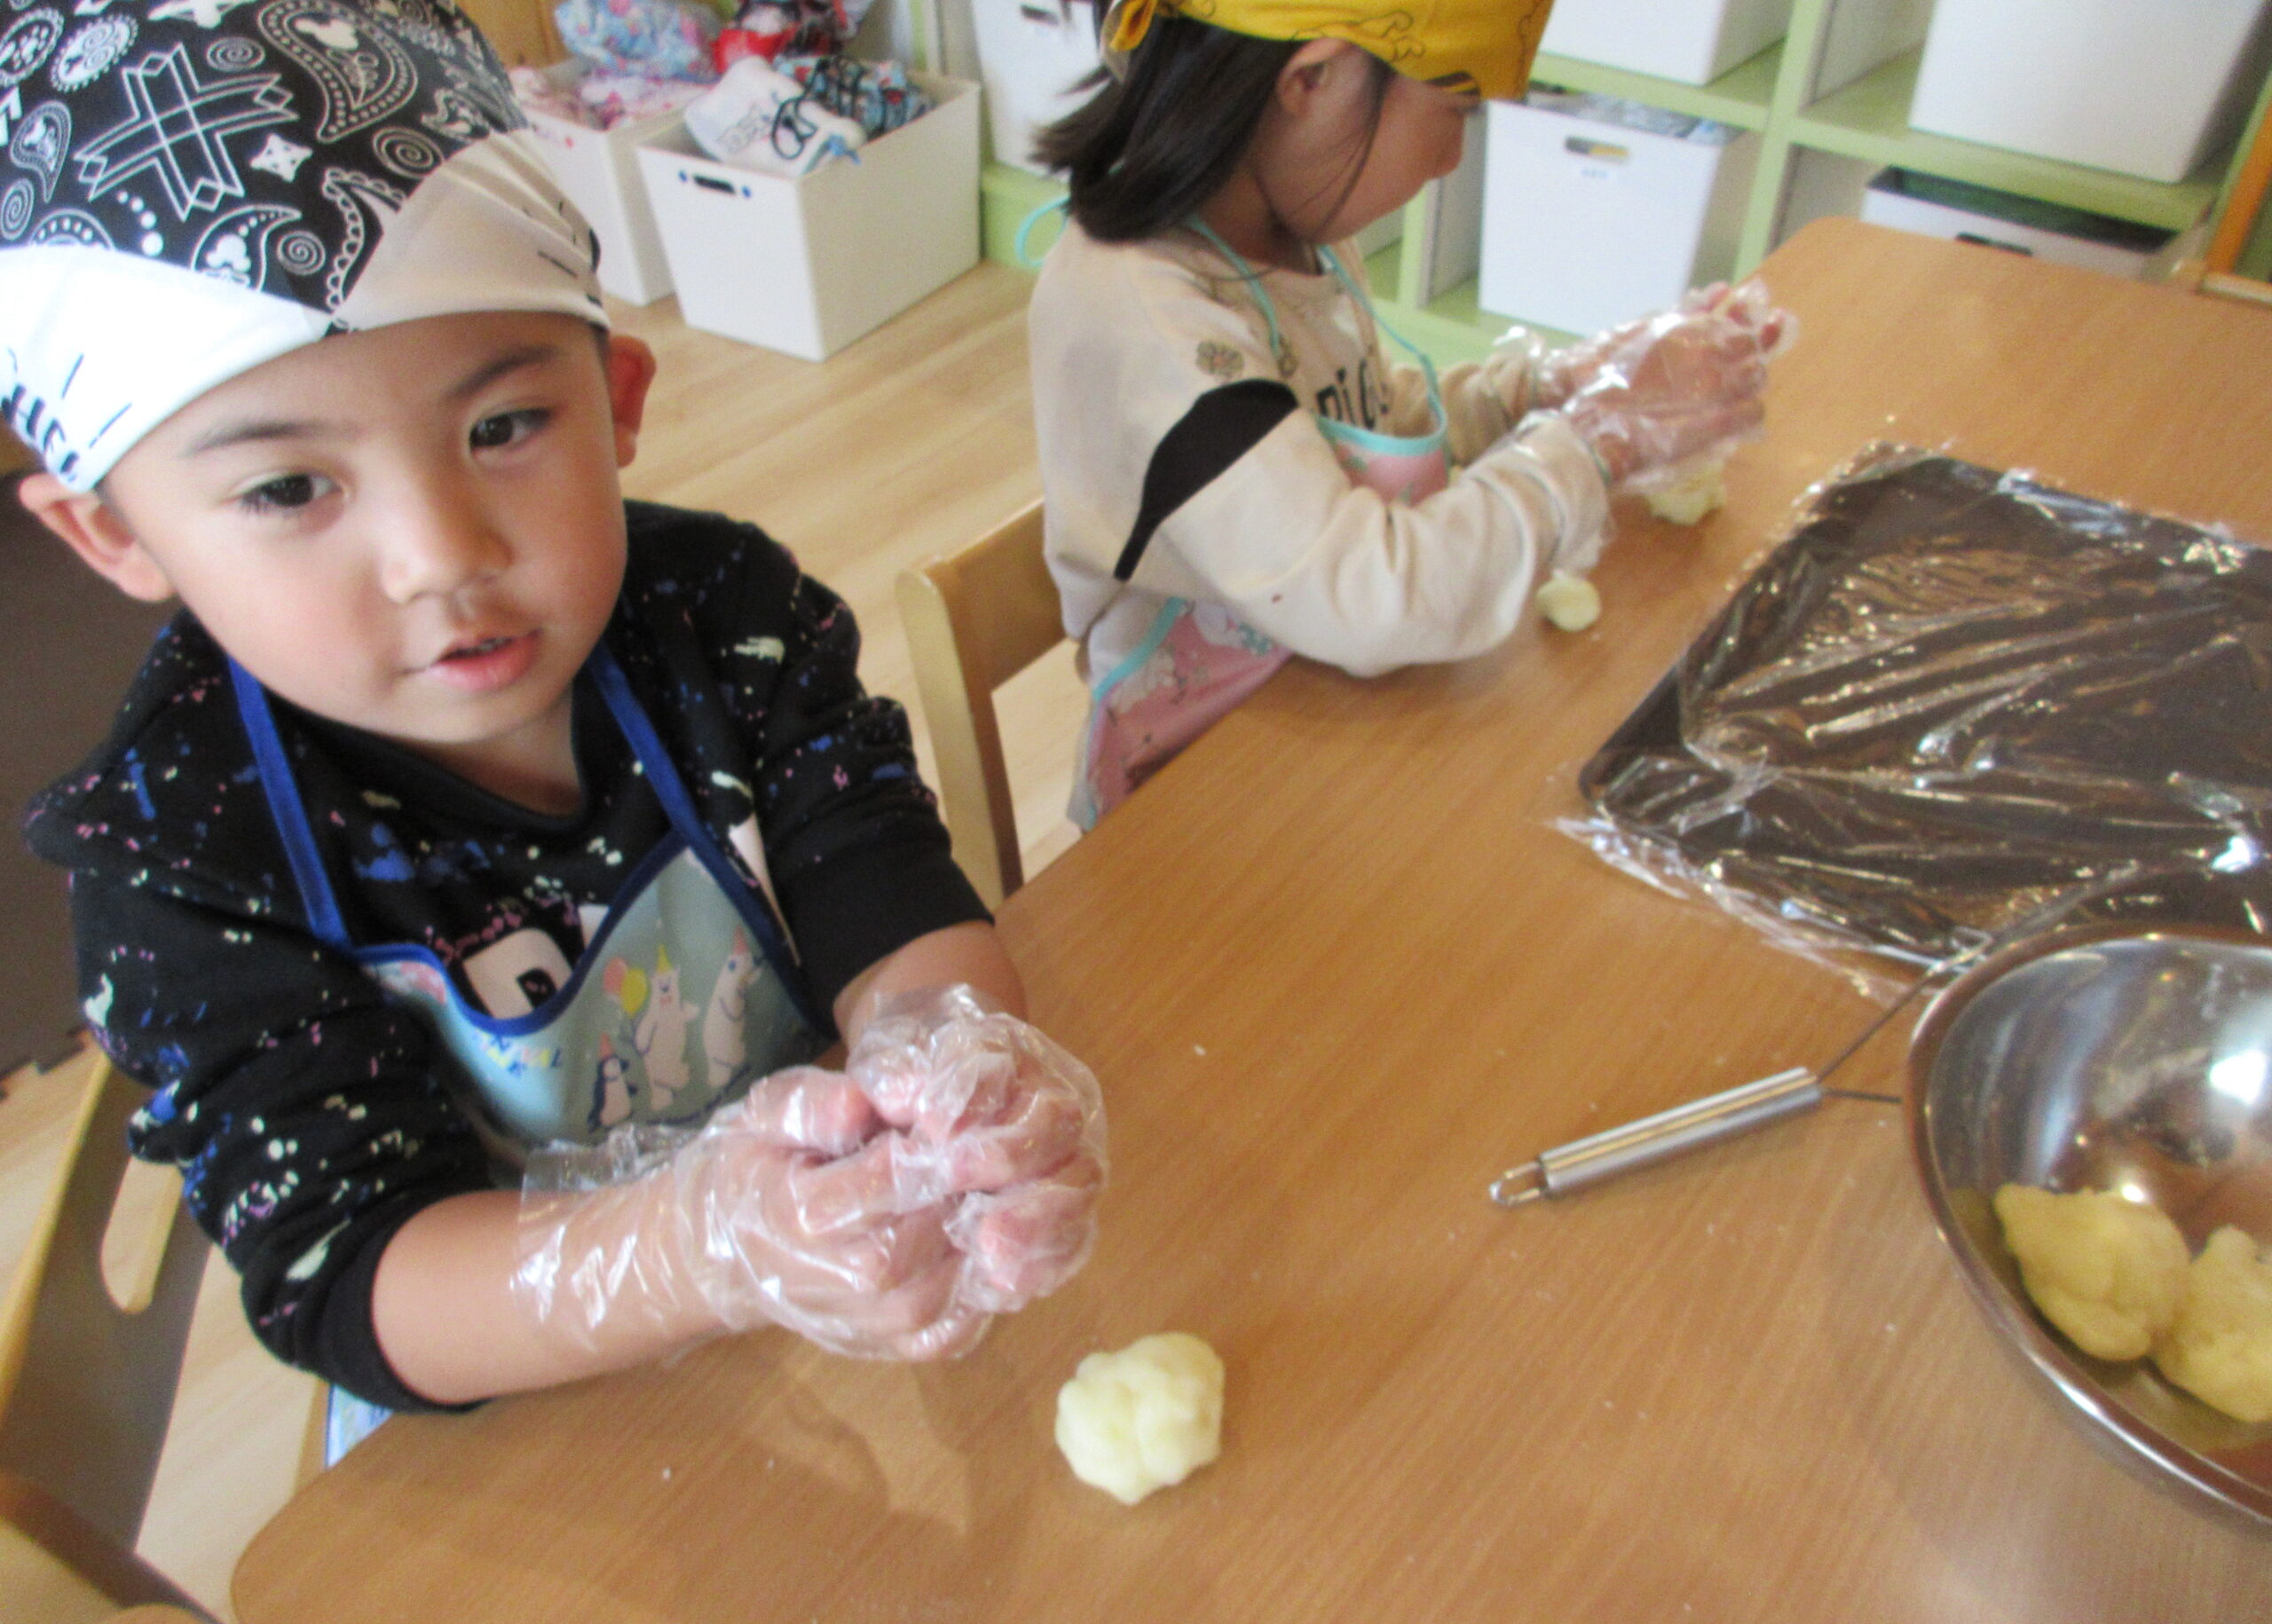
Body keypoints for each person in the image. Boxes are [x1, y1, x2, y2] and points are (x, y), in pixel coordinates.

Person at [4, 0, 1104, 1441]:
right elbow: (356, 1273)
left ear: (616, 395)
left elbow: (884, 888)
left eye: (502, 429)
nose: (442, 555)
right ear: (112, 533)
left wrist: (946, 1066)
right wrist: (701, 1249)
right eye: (286, 490)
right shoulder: (183, 850)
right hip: (515, 1382)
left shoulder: (724, 616)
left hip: (842, 1265)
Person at [1027, 0, 1791, 825]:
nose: (1452, 158)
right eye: (1456, 111)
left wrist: (1552, 390)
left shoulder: (1289, 229)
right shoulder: (1150, 316)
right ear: (1310, 82)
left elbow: (1367, 428)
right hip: (1195, 788)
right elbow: (1365, 593)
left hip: (1329, 708)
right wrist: (1597, 441)